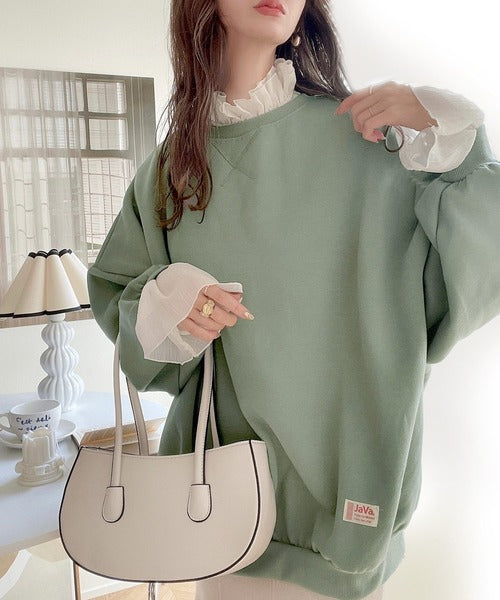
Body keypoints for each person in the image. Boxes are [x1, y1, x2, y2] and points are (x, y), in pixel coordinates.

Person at [87, 1, 500, 599]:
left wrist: (456, 132)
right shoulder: (170, 170)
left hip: (343, 532)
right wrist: (166, 301)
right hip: (221, 520)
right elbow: (125, 314)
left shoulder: (368, 141)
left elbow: (464, 274)